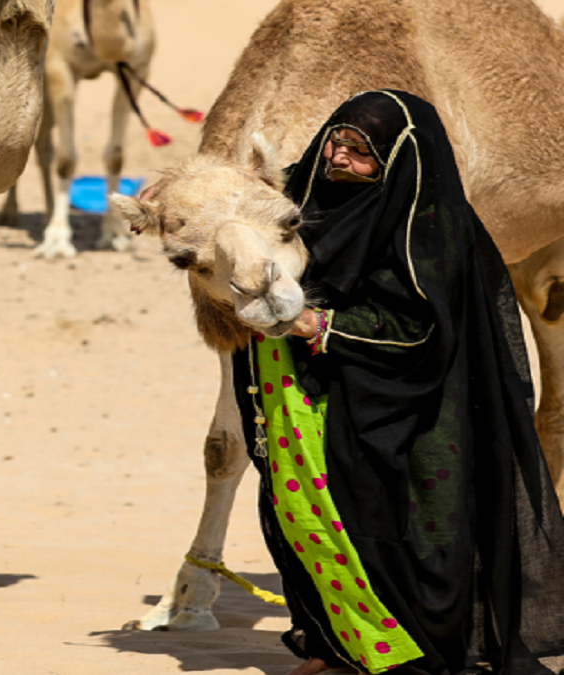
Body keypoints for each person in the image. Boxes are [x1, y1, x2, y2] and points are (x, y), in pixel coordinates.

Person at [234, 90, 564, 675]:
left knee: (393, 532)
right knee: (304, 520)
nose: (338, 157)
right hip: (306, 398)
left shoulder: (426, 229)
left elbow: (420, 329)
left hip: (406, 408)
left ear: (398, 159)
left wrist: (317, 324)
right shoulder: (303, 196)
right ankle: (333, 645)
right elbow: (233, 212)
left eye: (362, 152)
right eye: (337, 137)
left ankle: (400, 654)